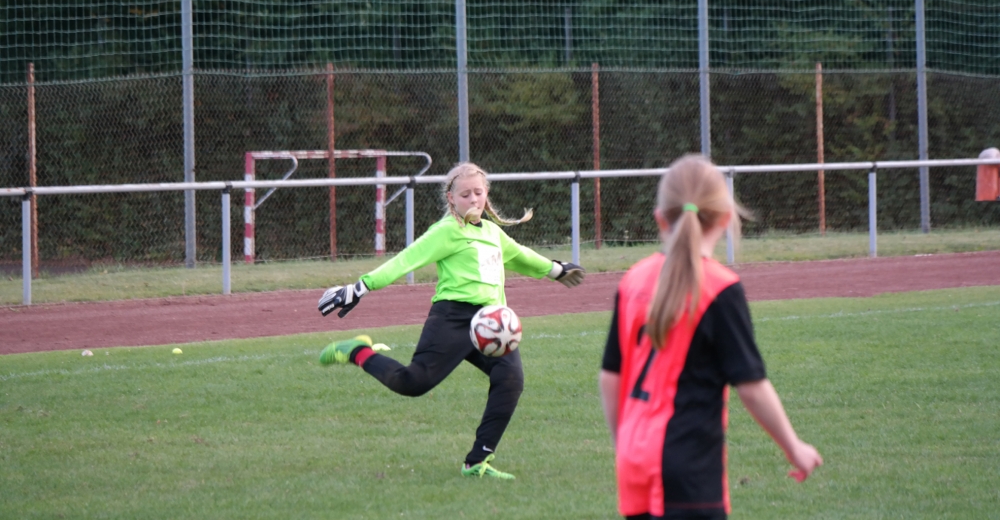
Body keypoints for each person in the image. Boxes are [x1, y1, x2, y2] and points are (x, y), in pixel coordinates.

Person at [317, 161, 586, 480]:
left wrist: (557, 270)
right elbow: (405, 260)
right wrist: (359, 288)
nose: (473, 199)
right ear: (451, 198)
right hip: (453, 320)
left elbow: (520, 256)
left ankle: (477, 462)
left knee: (511, 380)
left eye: (478, 192)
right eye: (465, 194)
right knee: (412, 383)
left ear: (486, 194)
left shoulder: (492, 233)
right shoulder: (446, 231)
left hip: (491, 323)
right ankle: (357, 351)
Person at [599, 154, 822, 519]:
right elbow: (751, 386)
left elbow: (611, 376)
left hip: (634, 461)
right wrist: (793, 447)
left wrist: (623, 441)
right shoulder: (720, 288)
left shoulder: (633, 279)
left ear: (660, 218)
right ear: (725, 217)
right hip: (688, 467)